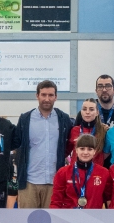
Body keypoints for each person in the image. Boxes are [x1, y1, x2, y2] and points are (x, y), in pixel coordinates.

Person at [12, 80, 74, 208]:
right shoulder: (25, 119)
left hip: (55, 182)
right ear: (37, 96)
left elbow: (71, 141)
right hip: (29, 182)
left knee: (52, 220)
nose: (47, 99)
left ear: (56, 97)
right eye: (43, 95)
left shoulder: (64, 119)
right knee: (27, 220)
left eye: (50, 95)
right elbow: (17, 145)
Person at [49, 134, 111, 209]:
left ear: (94, 151)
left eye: (90, 149)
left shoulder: (104, 173)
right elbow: (56, 201)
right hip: (69, 215)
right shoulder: (63, 172)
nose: (85, 152)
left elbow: (108, 198)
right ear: (76, 150)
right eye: (82, 149)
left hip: (93, 215)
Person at [68, 98, 108, 164]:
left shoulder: (104, 130)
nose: (87, 112)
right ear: (81, 112)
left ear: (97, 112)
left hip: (96, 169)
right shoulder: (74, 130)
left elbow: (107, 152)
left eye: (91, 109)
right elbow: (67, 151)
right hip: (76, 169)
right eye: (84, 109)